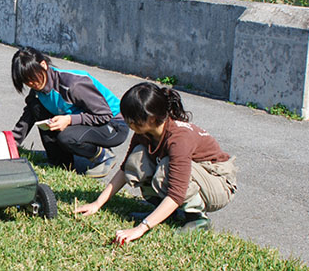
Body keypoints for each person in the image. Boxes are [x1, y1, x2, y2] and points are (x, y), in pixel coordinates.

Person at [74, 81, 237, 243]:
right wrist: (97, 203)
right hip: (192, 176)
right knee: (137, 159)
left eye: (132, 118)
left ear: (151, 118)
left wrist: (140, 228)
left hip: (218, 182)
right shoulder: (143, 133)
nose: (128, 123)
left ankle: (197, 218)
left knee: (166, 168)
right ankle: (165, 213)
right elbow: (125, 169)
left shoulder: (179, 139)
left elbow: (176, 192)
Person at [10, 47, 129, 177]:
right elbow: (28, 117)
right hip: (90, 121)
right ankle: (60, 162)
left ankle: (103, 156)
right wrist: (10, 144)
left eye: (32, 77)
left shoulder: (73, 85)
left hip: (114, 124)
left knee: (66, 136)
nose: (31, 83)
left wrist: (69, 120)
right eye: (26, 81)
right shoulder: (39, 91)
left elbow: (105, 114)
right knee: (36, 107)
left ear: (43, 65)